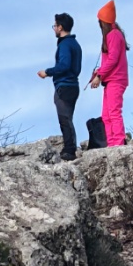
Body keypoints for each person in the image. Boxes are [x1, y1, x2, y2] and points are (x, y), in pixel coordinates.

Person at [36, 13, 83, 160]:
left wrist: (47, 72)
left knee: (64, 119)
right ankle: (70, 148)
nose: (54, 29)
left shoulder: (64, 44)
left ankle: (69, 150)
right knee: (68, 118)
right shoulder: (75, 44)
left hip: (64, 86)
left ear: (60, 27)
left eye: (55, 26)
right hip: (73, 85)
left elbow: (64, 65)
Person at [87, 0, 129, 147]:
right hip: (111, 80)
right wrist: (99, 73)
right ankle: (111, 144)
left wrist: (99, 76)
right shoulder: (114, 34)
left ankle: (118, 142)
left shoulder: (114, 35)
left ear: (103, 23)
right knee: (106, 115)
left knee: (114, 112)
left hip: (116, 80)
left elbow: (112, 59)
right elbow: (110, 61)